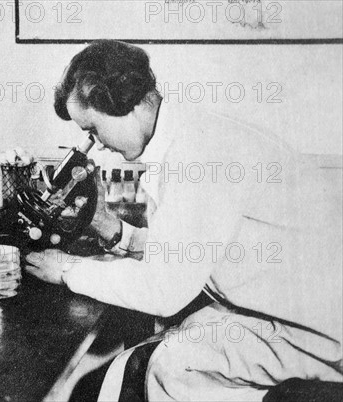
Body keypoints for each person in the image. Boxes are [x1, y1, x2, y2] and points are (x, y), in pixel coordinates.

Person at [25, 40, 342, 401]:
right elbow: (188, 252)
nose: (95, 144)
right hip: (290, 312)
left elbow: (164, 290)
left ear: (122, 103)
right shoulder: (192, 136)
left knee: (171, 364)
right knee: (166, 343)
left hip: (321, 333)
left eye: (94, 129)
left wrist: (67, 270)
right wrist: (112, 229)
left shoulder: (200, 154)